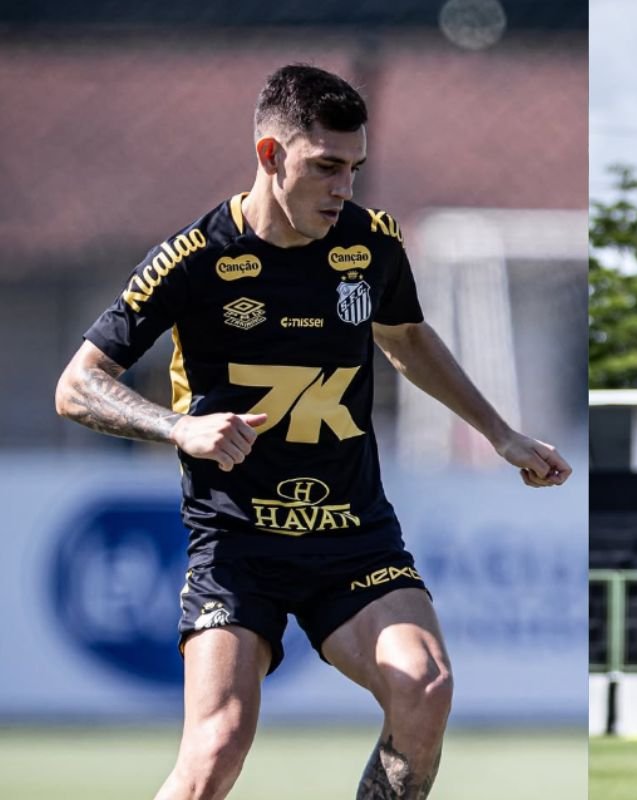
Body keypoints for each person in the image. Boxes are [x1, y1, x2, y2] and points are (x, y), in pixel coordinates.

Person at [54, 63, 571, 800]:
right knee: (217, 747)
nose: (344, 189)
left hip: (351, 536)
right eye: (326, 167)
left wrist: (500, 434)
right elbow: (76, 385)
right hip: (238, 542)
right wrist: (180, 429)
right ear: (270, 155)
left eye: (355, 169)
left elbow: (407, 337)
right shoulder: (196, 257)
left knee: (425, 686)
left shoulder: (371, 245)